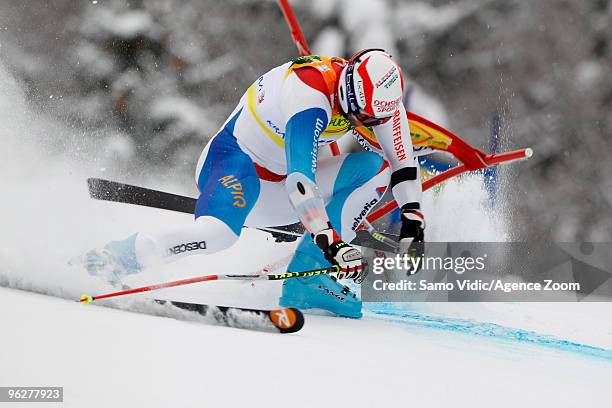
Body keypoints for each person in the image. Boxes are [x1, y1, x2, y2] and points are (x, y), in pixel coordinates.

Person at [84, 49, 425, 318]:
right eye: (364, 118)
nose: (370, 124)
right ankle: (108, 260)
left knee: (376, 168)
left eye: (375, 119)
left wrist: (414, 222)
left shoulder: (378, 102)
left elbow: (403, 163)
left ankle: (310, 278)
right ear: (351, 93)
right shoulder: (309, 94)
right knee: (216, 236)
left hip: (282, 187)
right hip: (237, 166)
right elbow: (301, 181)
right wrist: (331, 242)